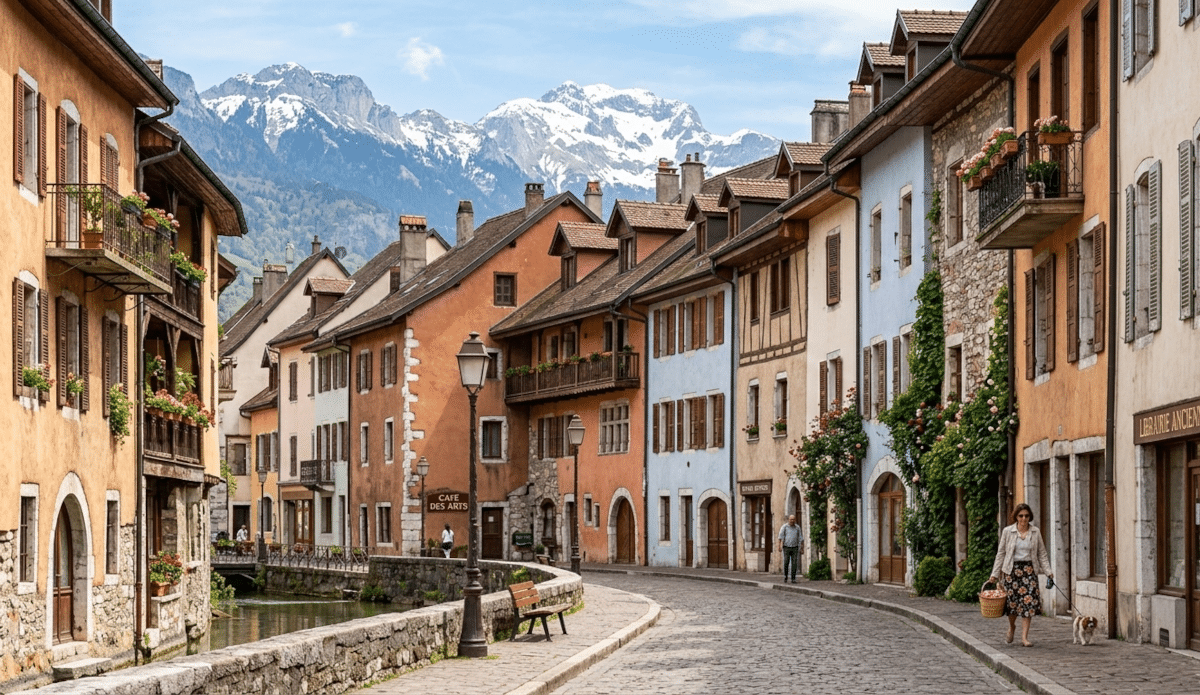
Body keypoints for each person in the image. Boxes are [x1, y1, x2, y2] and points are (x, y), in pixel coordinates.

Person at [989, 503, 1052, 647]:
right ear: (1016, 517)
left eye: (1026, 516)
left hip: (1029, 571)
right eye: (1021, 516)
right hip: (1012, 571)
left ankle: (1024, 638)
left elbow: (1042, 553)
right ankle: (1012, 627)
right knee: (1012, 605)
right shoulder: (1008, 531)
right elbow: (1001, 554)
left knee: (1028, 604)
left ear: (1030, 517)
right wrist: (994, 574)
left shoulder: (1035, 532)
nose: (1024, 518)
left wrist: (1048, 572)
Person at [778, 514, 803, 583]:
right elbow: (780, 537)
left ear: (795, 520)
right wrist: (779, 546)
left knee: (794, 563)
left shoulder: (797, 527)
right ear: (788, 520)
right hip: (786, 547)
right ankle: (785, 576)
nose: (792, 521)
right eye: (791, 519)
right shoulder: (784, 527)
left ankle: (793, 578)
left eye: (793, 519)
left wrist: (802, 547)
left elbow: (800, 538)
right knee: (786, 562)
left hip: (795, 547)